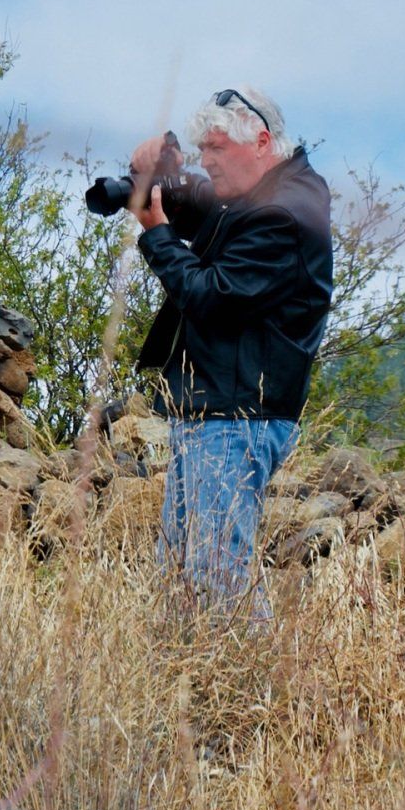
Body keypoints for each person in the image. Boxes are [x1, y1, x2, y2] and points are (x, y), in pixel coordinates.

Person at [129, 87, 333, 615]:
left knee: (216, 575)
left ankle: (250, 691)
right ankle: (180, 692)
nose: (208, 160)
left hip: (239, 414)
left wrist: (156, 235)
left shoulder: (285, 214)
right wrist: (167, 177)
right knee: (178, 578)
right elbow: (211, 213)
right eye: (202, 150)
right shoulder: (266, 195)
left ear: (262, 141)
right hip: (215, 408)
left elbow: (210, 296)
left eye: (216, 148)